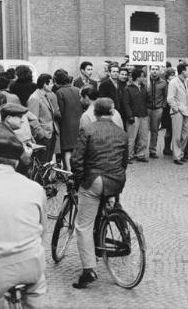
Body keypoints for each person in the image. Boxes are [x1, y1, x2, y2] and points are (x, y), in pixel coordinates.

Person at [71, 98, 128, 289]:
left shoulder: (87, 130)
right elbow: (124, 161)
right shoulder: (121, 133)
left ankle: (89, 270)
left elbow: (77, 159)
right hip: (116, 181)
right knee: (107, 203)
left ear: (94, 112)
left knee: (83, 226)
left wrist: (80, 180)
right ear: (112, 112)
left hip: (95, 180)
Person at [0, 134, 47, 308]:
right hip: (32, 265)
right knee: (36, 298)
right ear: (16, 162)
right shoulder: (35, 188)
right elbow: (43, 231)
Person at [27, 74, 60, 163]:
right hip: (44, 136)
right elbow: (33, 119)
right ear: (45, 85)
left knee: (47, 163)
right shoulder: (35, 98)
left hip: (51, 134)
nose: (53, 85)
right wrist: (41, 135)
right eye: (51, 83)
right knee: (42, 163)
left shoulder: (46, 96)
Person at [54, 69, 82, 171]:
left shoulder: (59, 92)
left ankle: (68, 172)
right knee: (76, 148)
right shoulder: (77, 90)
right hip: (78, 122)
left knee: (66, 150)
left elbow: (60, 111)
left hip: (66, 124)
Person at [166, 63, 188, 165]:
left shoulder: (185, 81)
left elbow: (186, 97)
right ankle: (176, 156)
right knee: (177, 135)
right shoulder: (173, 82)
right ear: (183, 71)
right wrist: (176, 109)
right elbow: (170, 98)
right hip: (178, 112)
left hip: (186, 111)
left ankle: (180, 153)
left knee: (185, 135)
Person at [123, 68, 149, 163]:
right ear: (138, 77)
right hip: (134, 116)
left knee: (143, 136)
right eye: (143, 76)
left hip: (143, 115)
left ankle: (140, 154)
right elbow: (126, 103)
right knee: (131, 137)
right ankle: (128, 155)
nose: (144, 78)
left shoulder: (143, 88)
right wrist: (130, 115)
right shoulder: (128, 88)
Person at [146, 66, 167, 159]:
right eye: (153, 69)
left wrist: (163, 106)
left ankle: (152, 150)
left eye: (156, 69)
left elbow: (166, 96)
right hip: (147, 109)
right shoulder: (145, 81)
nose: (154, 71)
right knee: (143, 131)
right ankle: (139, 150)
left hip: (158, 109)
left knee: (155, 131)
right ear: (150, 70)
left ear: (159, 71)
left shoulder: (163, 82)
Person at [161, 68, 176, 156]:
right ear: (168, 76)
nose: (173, 76)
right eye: (171, 75)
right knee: (169, 130)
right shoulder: (165, 84)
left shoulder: (174, 83)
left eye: (174, 75)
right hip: (166, 109)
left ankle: (170, 147)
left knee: (173, 129)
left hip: (173, 108)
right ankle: (166, 148)